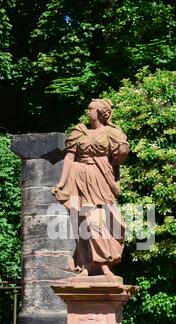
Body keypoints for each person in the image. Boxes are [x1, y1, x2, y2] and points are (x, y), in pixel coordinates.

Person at [52, 98, 129, 277]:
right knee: (87, 221)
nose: (88, 112)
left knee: (110, 221)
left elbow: (119, 158)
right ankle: (95, 265)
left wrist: (123, 150)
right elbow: (70, 158)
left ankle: (100, 262)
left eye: (91, 108)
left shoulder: (112, 132)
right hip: (79, 177)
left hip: (101, 178)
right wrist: (62, 183)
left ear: (101, 112)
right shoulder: (80, 131)